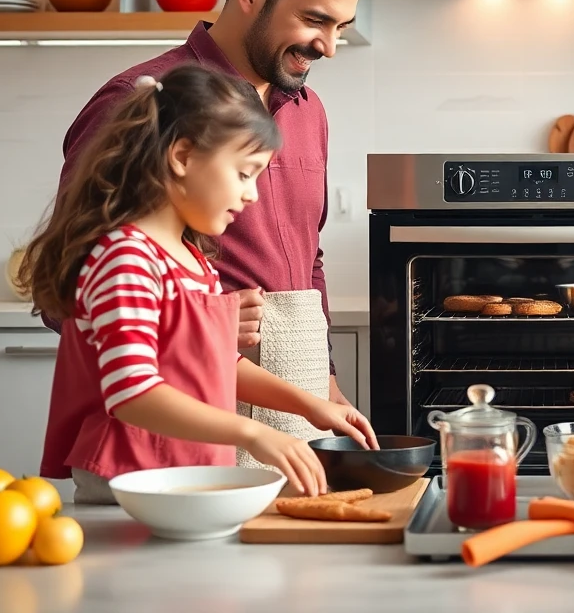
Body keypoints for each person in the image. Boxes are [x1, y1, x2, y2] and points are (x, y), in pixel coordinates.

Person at [41, 0, 387, 413]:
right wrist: (198, 321)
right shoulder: (139, 101)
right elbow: (64, 288)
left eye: (341, 27)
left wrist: (326, 380)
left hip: (298, 401)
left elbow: (307, 259)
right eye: (316, 20)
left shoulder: (308, 111)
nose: (330, 47)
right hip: (180, 407)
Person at [22, 65, 379, 503]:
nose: (252, 195)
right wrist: (253, 433)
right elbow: (132, 393)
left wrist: (312, 405)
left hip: (183, 477)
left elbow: (219, 363)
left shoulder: (193, 258)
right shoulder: (126, 258)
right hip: (129, 484)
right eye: (245, 173)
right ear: (183, 157)